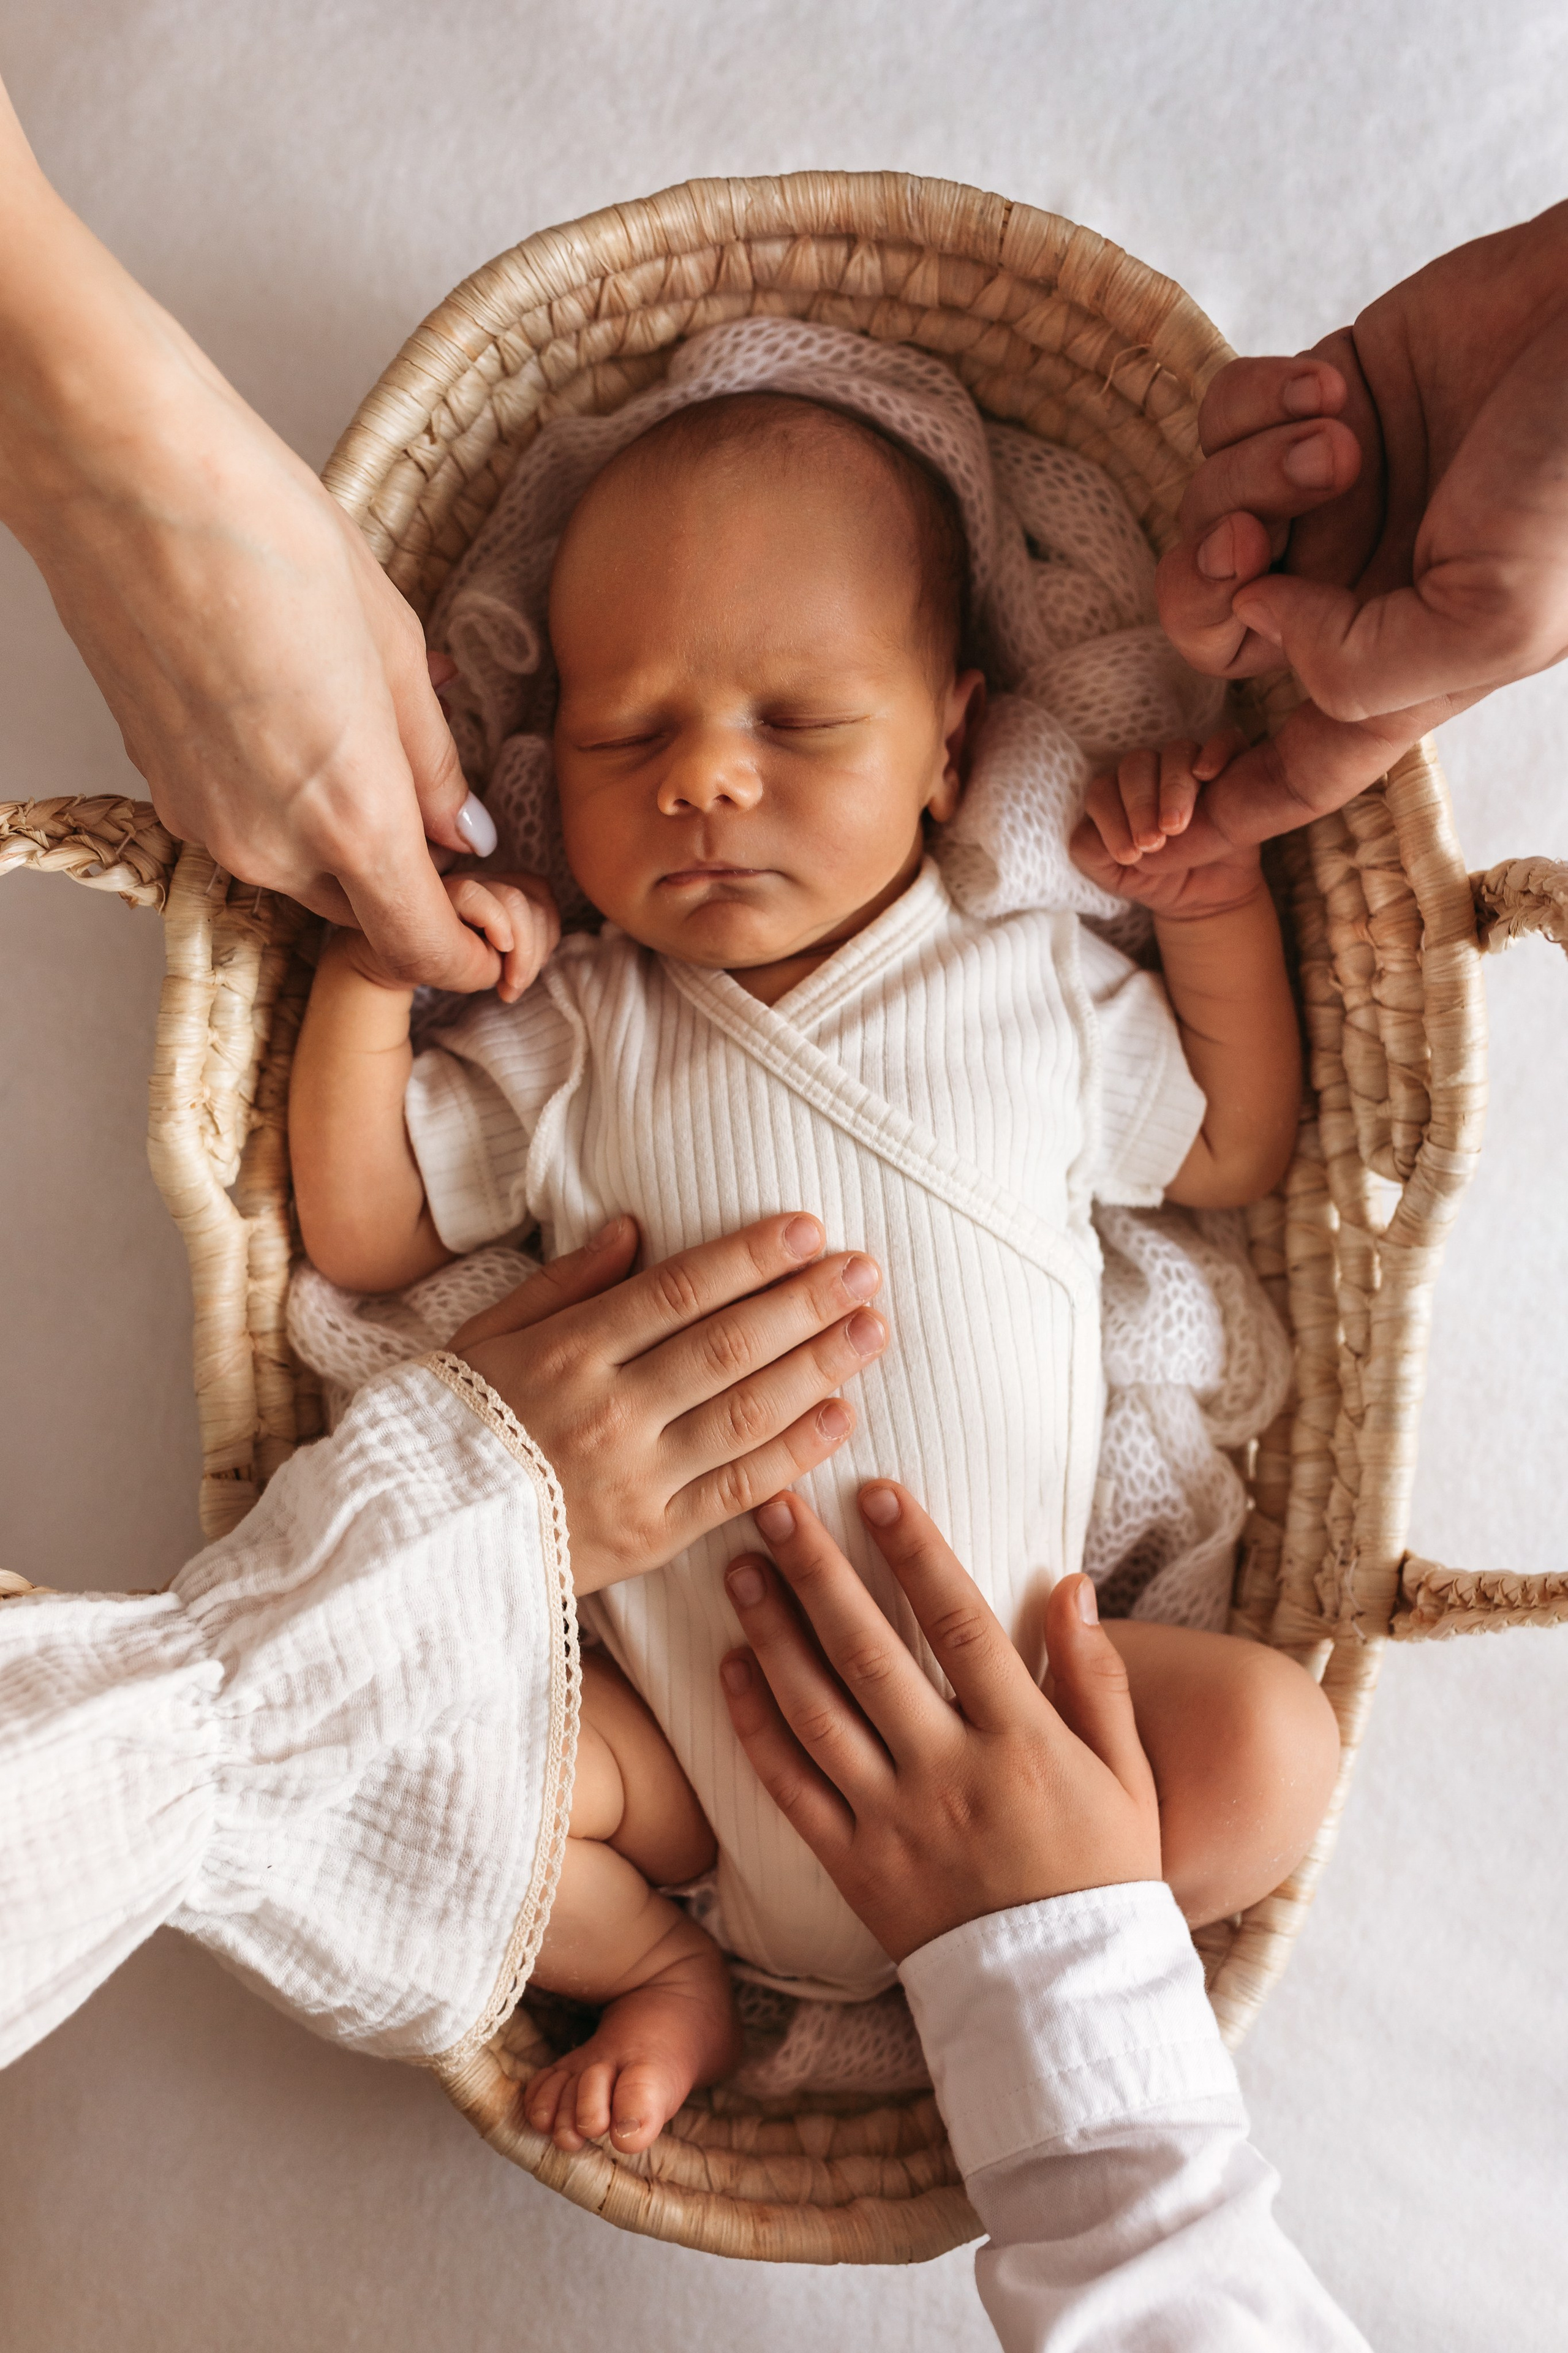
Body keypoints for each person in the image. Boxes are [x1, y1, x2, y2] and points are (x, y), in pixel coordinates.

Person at [285, 382, 1337, 2155]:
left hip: (1038, 1709)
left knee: (1275, 1749)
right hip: (689, 1769)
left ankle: (1050, 1944)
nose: (704, 776)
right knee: (431, 1782)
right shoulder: (590, 1027)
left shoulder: (1027, 980)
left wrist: (1213, 893)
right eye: (628, 739)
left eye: (794, 720)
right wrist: (381, 970)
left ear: (950, 745)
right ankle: (667, 1975)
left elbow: (1236, 1141)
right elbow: (370, 1227)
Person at [718, 1482, 1371, 2351]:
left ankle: (670, 1969)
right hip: (1034, 1905)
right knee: (1270, 1743)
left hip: (732, 1847)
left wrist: (1039, 1954)